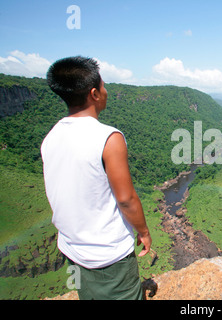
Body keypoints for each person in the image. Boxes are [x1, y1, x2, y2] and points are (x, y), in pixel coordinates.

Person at [41, 56, 152, 300]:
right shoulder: (109, 138)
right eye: (103, 86)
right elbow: (126, 199)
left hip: (72, 250)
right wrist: (143, 231)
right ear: (94, 93)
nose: (106, 90)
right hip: (108, 254)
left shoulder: (51, 137)